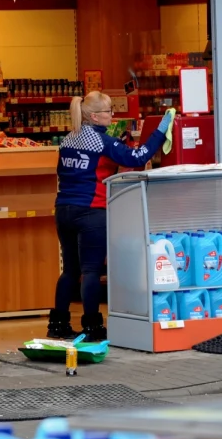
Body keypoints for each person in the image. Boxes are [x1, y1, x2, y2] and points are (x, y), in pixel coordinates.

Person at [48, 92, 175, 342]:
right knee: (91, 270)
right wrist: (160, 132)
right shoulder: (102, 143)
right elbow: (137, 158)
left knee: (70, 271)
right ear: (94, 116)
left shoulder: (67, 140)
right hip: (90, 211)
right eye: (108, 111)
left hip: (63, 210)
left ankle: (58, 325)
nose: (112, 115)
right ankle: (92, 328)